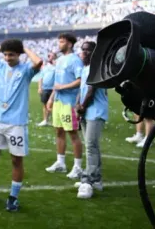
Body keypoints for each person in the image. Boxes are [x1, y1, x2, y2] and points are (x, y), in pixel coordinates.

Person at [0, 39, 42, 212]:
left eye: (11, 54)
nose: (7, 57)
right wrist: (0, 48)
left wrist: (24, 48)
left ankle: (13, 197)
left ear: (18, 54)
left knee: (16, 160)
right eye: (5, 54)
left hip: (16, 123)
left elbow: (38, 62)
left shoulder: (26, 70)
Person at [46, 33, 84, 179]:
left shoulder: (75, 60)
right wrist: (51, 98)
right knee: (59, 132)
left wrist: (63, 87)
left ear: (69, 44)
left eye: (61, 41)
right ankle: (60, 163)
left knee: (73, 134)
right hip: (58, 102)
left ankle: (78, 167)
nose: (59, 44)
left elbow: (81, 80)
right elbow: (56, 83)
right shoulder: (60, 60)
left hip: (70, 103)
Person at [75, 41, 108, 199]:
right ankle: (96, 179)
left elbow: (91, 90)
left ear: (95, 52)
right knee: (92, 146)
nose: (85, 52)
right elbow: (81, 89)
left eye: (89, 50)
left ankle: (88, 180)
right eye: (83, 50)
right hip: (86, 110)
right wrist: (77, 104)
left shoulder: (98, 66)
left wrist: (82, 106)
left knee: (90, 146)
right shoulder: (84, 68)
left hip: (95, 111)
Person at [37, 52, 57, 127]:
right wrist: (39, 87)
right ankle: (45, 120)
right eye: (49, 56)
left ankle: (55, 120)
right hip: (45, 88)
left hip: (54, 89)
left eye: (52, 56)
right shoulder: (45, 67)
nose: (50, 57)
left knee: (54, 105)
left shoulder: (57, 67)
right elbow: (40, 78)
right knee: (45, 105)